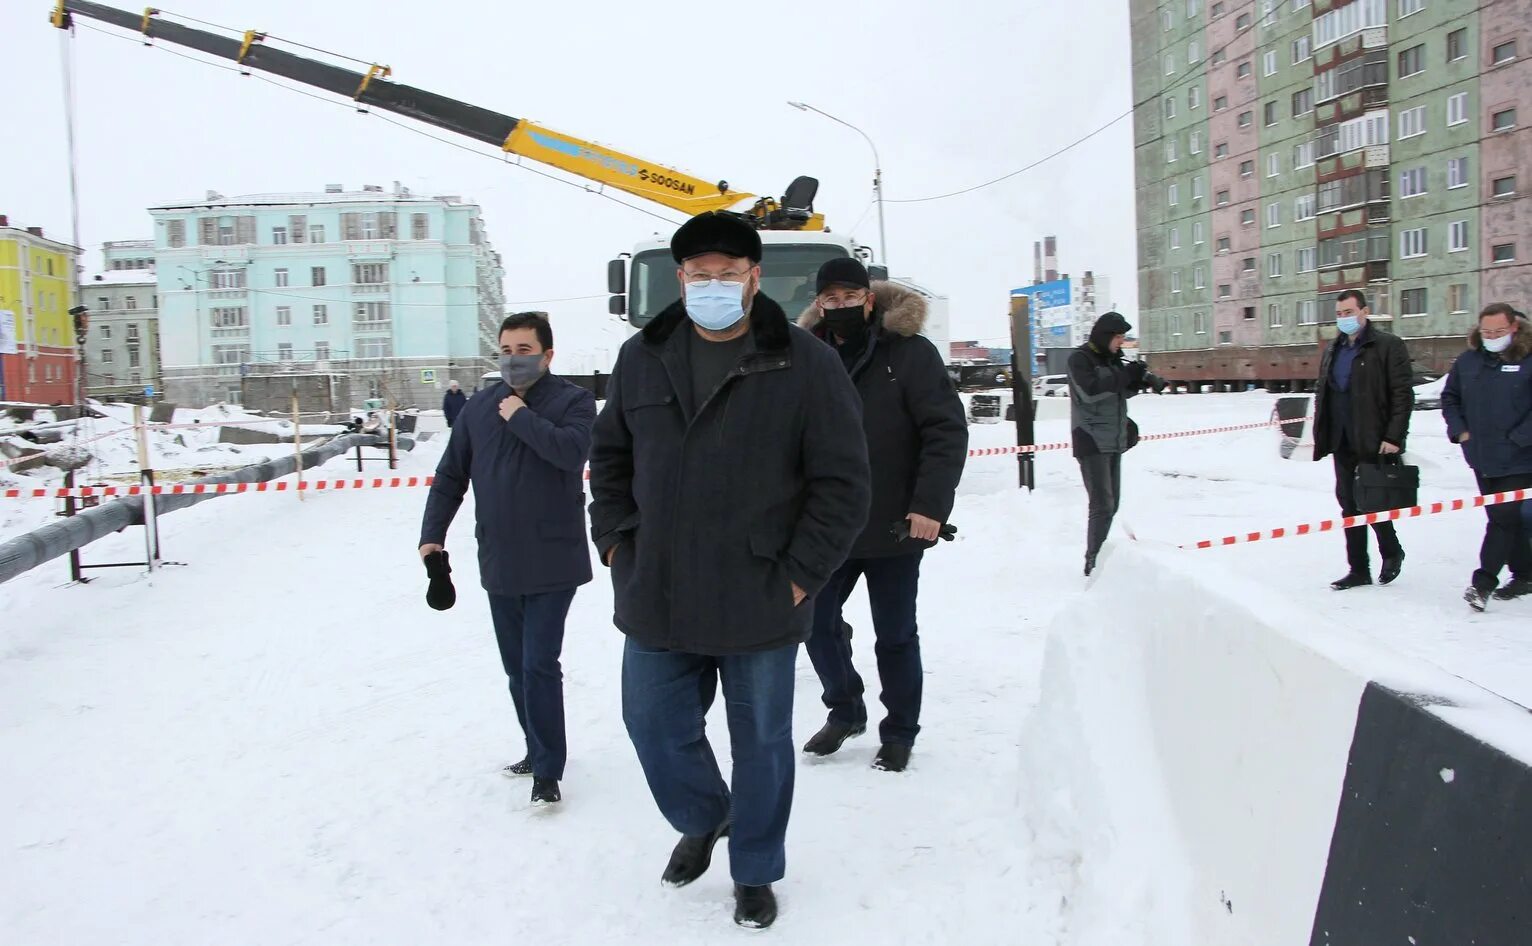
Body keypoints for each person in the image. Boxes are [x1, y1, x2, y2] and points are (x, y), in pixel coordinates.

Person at [588, 212, 870, 930]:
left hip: (762, 588)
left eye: (728, 272)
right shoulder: (641, 358)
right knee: (650, 722)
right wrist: (619, 546)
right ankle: (708, 815)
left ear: (753, 277)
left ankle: (754, 869)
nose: (713, 284)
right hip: (658, 588)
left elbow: (842, 482)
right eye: (700, 274)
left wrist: (803, 574)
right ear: (680, 279)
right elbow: (612, 461)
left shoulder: (807, 362)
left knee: (763, 745)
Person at [794, 258, 967, 772]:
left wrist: (929, 506)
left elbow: (945, 431)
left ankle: (900, 730)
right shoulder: (804, 357)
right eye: (831, 298)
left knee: (894, 633)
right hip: (827, 527)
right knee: (813, 624)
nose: (840, 306)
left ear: (869, 300)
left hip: (895, 523)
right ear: (819, 303)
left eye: (850, 297)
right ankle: (845, 709)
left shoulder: (909, 354)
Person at [418, 312, 596, 807]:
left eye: (524, 350)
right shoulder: (478, 408)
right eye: (507, 350)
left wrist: (520, 415)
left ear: (548, 354)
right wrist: (432, 536)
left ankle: (547, 767)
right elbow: (451, 476)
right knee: (516, 667)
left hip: (554, 560)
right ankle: (535, 747)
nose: (514, 359)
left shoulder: (574, 402)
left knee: (539, 663)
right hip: (500, 560)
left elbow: (569, 452)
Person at [1312, 289, 1413, 591]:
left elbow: (1402, 395)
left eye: (1349, 312)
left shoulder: (1387, 346)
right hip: (1340, 438)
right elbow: (1325, 392)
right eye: (1339, 313)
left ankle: (1391, 552)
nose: (1344, 318)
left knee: (1373, 501)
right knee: (1348, 503)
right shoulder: (1333, 349)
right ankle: (1358, 569)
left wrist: (1393, 436)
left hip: (1373, 439)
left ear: (1364, 311)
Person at [1441, 303, 1532, 611]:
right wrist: (1461, 432)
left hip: (1520, 457)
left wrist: (1518, 438)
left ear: (1514, 328)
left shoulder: (1527, 360)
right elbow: (1450, 397)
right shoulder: (1468, 361)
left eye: (1499, 331)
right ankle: (1525, 575)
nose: (1492, 336)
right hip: (1481, 456)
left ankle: (1483, 584)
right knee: (1507, 519)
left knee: (1502, 519)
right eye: (1487, 331)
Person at [1068, 311, 1152, 575]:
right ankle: (1093, 561)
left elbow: (1120, 392)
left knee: (1111, 503)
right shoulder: (1079, 360)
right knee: (1102, 504)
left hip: (1113, 439)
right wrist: (1125, 376)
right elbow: (1091, 392)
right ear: (1105, 336)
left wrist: (1139, 380)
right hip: (1091, 439)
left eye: (1123, 338)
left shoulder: (1113, 361)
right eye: (1118, 338)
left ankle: (1100, 557)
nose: (1121, 343)